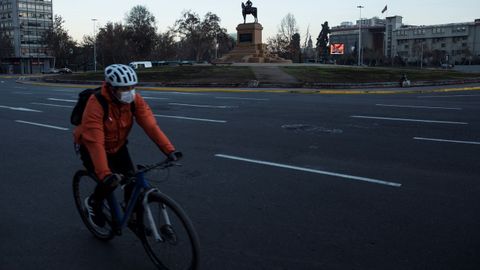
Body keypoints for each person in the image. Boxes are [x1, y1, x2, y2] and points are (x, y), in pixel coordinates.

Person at [74, 64, 180, 227]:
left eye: (132, 87)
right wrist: (105, 174)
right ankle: (93, 203)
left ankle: (131, 214)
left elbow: (150, 126)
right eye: (124, 88)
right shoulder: (96, 103)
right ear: (110, 88)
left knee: (132, 178)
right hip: (90, 147)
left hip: (117, 146)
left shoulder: (134, 100)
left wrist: (169, 150)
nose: (129, 91)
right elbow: (95, 142)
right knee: (109, 182)